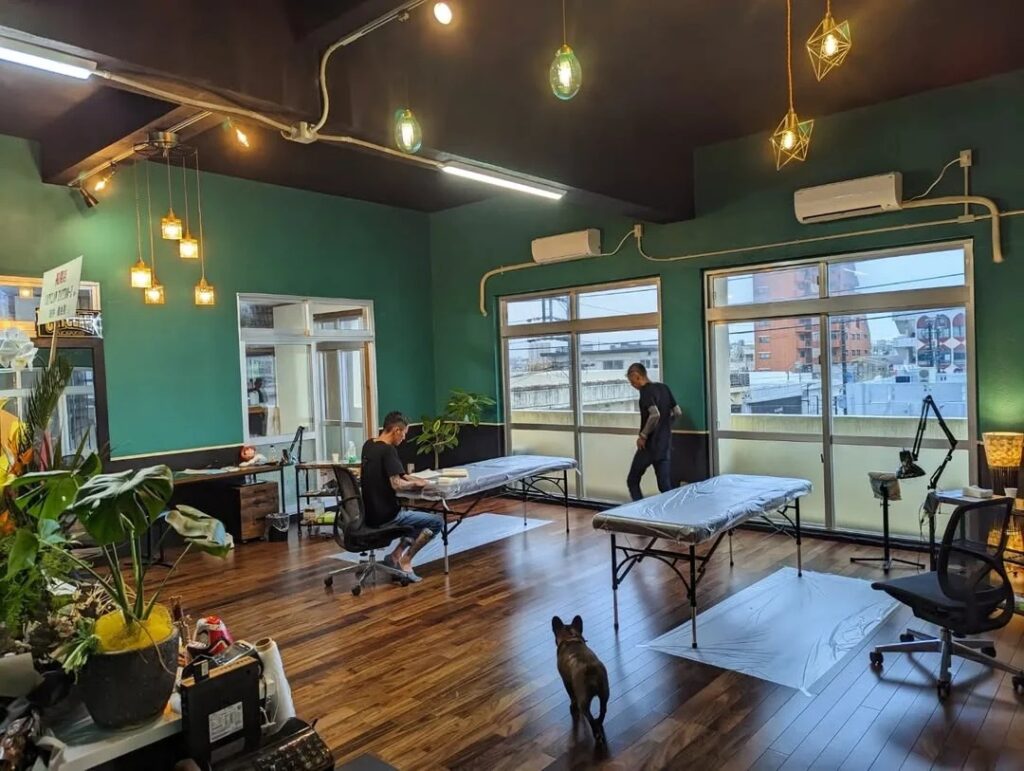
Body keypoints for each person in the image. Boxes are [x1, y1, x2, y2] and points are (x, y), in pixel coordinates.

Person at [360, 411, 442, 583]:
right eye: (404, 433)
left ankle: (394, 556)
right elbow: (396, 484)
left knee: (417, 519)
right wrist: (416, 484)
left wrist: (412, 478)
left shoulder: (369, 445)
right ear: (396, 430)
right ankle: (406, 560)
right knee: (435, 522)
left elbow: (398, 474)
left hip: (369, 514)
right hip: (387, 516)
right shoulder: (388, 450)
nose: (404, 438)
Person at [625, 363, 681, 501]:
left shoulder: (645, 392)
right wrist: (666, 425)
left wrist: (643, 436)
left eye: (632, 382)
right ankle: (672, 511)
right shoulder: (664, 388)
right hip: (665, 445)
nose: (632, 385)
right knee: (664, 486)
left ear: (637, 376)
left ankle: (640, 509)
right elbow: (678, 412)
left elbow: (655, 414)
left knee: (632, 480)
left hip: (649, 446)